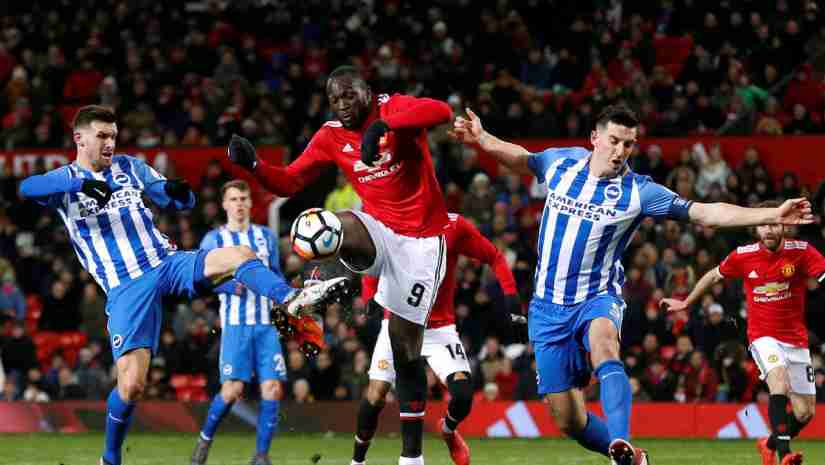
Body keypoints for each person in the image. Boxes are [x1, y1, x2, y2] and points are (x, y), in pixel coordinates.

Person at [449, 104, 813, 465]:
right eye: (614, 141)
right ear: (594, 138)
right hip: (546, 306)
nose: (621, 151)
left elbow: (706, 213)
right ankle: (633, 459)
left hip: (597, 296)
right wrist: (483, 138)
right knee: (568, 419)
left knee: (604, 345)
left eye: (629, 144)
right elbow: (524, 160)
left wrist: (771, 213)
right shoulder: (563, 162)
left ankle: (620, 440)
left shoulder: (639, 191)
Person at [18, 105, 345, 465]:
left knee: (240, 254)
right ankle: (109, 459)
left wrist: (177, 192)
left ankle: (292, 298)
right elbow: (27, 187)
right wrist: (81, 184)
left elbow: (175, 198)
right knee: (131, 386)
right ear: (79, 138)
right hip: (127, 286)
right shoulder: (64, 181)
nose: (110, 143)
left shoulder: (129, 167)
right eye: (102, 136)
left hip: (167, 263)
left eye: (113, 136)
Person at [228, 65, 453, 465]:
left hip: (422, 241)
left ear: (367, 91)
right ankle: (324, 282)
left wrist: (381, 126)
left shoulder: (393, 107)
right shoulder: (330, 136)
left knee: (404, 350)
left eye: (350, 95)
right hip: (378, 231)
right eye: (335, 99)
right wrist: (255, 167)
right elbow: (289, 182)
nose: (343, 104)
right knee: (329, 223)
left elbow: (441, 111)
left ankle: (412, 458)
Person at [661, 199, 825, 465]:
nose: (769, 230)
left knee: (805, 413)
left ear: (783, 224)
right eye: (763, 224)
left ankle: (768, 444)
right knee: (779, 381)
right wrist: (687, 301)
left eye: (773, 224)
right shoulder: (743, 255)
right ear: (755, 228)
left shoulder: (802, 252)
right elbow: (713, 275)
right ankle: (785, 455)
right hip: (763, 336)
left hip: (796, 339)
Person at [351, 213, 521, 465]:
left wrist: (511, 295)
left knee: (463, 395)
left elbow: (494, 256)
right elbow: (374, 265)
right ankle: (358, 461)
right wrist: (370, 297)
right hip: (398, 325)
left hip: (440, 329)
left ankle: (448, 430)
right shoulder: (393, 223)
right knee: (376, 395)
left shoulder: (454, 226)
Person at [189, 180, 290, 465]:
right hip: (235, 326)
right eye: (233, 199)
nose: (239, 204)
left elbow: (276, 274)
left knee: (273, 389)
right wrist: (227, 286)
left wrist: (288, 299)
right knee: (232, 391)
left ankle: (261, 456)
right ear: (224, 204)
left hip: (266, 325)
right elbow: (198, 280)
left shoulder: (266, 236)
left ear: (250, 203)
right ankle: (205, 439)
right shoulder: (213, 240)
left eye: (243, 198)